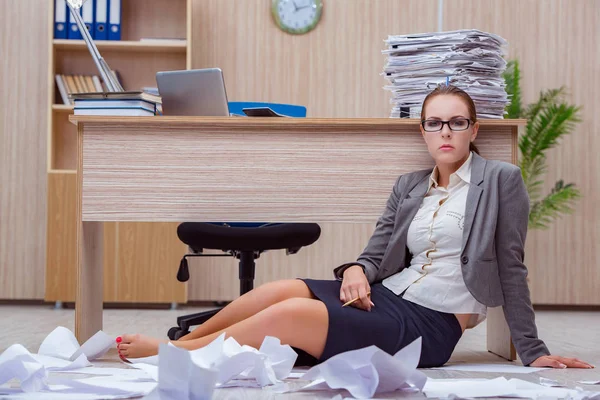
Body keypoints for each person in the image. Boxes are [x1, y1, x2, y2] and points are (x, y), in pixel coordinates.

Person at [116, 85, 593, 369]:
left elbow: (512, 265)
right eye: (435, 123)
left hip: (430, 324)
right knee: (285, 289)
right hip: (388, 295)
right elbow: (377, 249)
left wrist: (532, 351)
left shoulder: (500, 181)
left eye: (457, 122)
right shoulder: (409, 185)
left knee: (290, 317)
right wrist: (356, 271)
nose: (445, 132)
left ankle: (172, 353)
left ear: (473, 130)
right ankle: (185, 342)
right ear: (422, 131)